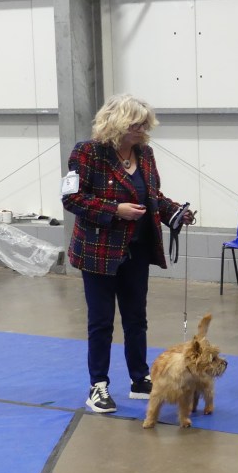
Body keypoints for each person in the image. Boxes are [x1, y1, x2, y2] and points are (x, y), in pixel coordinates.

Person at [63, 94, 194, 413]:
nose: (143, 129)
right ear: (117, 122)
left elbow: (153, 196)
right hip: (98, 252)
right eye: (137, 123)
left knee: (137, 319)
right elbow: (72, 200)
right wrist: (115, 209)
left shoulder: (145, 153)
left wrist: (175, 212)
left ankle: (139, 378)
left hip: (137, 249)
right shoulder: (87, 151)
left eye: (146, 123)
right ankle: (98, 386)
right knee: (101, 322)